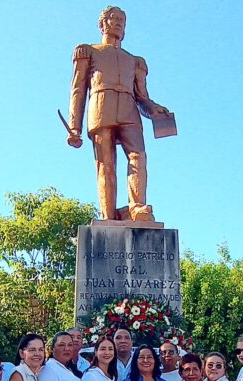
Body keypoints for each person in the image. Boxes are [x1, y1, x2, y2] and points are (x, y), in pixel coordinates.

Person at [67, 6, 170, 222]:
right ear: (102, 24)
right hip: (100, 106)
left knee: (138, 156)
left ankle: (138, 207)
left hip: (129, 109)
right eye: (113, 18)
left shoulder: (135, 61)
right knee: (105, 163)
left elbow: (142, 96)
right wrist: (74, 126)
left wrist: (153, 108)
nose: (118, 22)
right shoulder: (88, 51)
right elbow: (78, 90)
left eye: (122, 19)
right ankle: (108, 214)